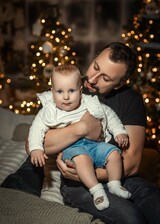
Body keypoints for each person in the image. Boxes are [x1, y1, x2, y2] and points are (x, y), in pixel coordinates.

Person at [1, 42, 160, 224]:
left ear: (118, 84)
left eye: (105, 78)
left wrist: (92, 174)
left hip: (113, 171)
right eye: (95, 66)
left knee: (155, 202)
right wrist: (83, 128)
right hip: (74, 178)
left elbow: (133, 162)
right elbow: (35, 143)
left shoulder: (130, 100)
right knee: (131, 221)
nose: (92, 79)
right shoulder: (70, 84)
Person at [28, 64, 131, 211]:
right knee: (82, 159)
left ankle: (115, 185)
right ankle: (96, 191)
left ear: (80, 91)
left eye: (71, 90)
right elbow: (36, 129)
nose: (66, 96)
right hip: (72, 148)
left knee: (114, 153)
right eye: (59, 91)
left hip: (94, 144)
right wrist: (36, 148)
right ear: (52, 93)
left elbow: (109, 114)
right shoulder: (49, 110)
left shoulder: (89, 103)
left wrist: (119, 132)